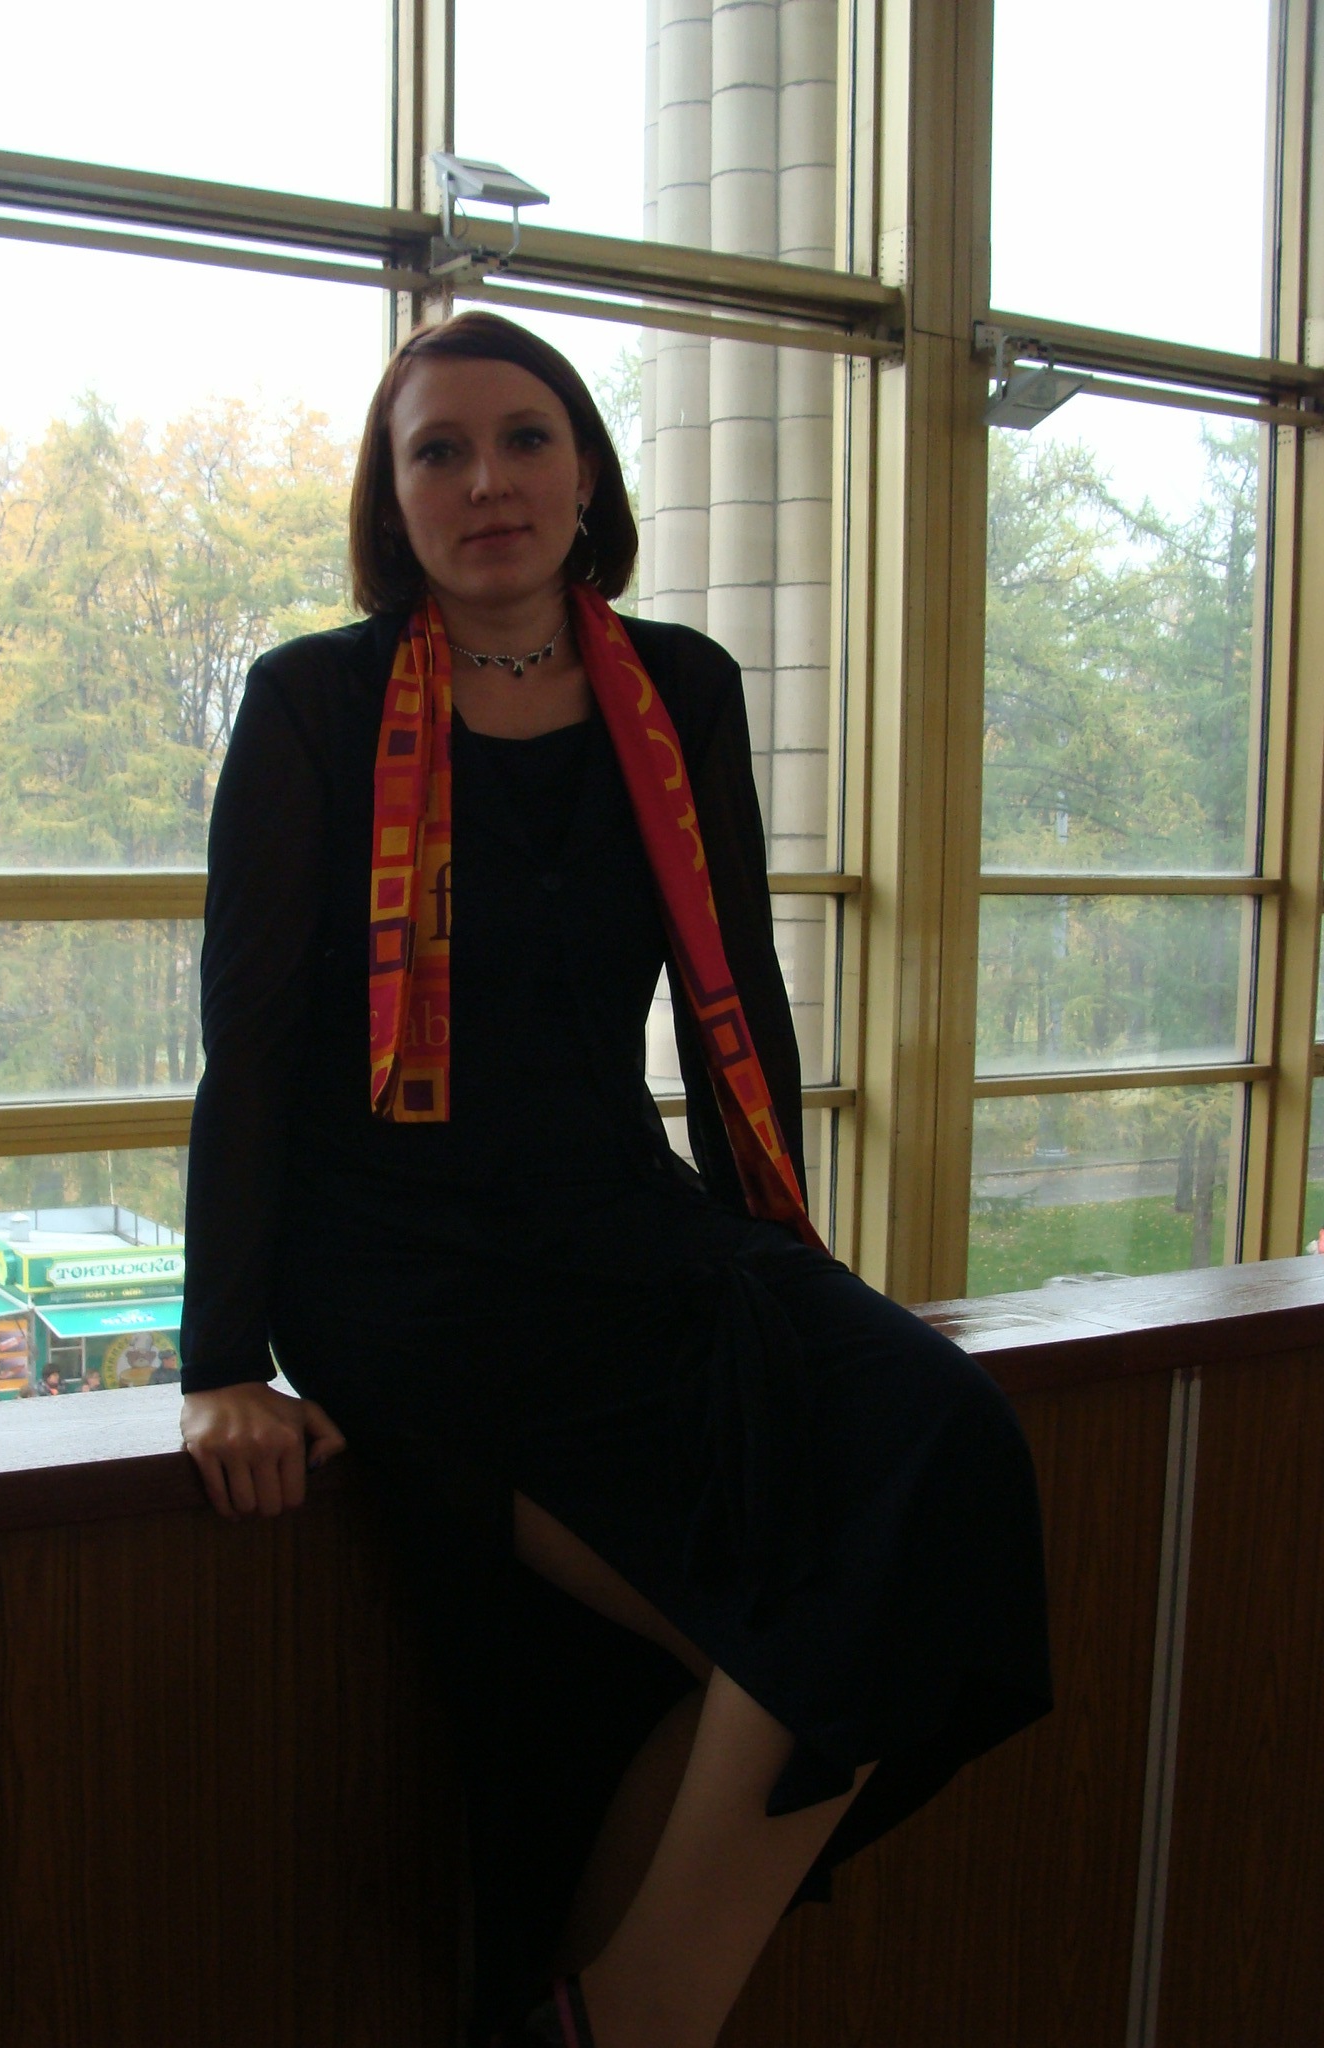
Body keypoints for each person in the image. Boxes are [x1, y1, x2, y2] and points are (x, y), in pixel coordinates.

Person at [177, 312, 1052, 2048]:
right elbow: (252, 1040)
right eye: (438, 451)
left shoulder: (683, 686)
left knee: (943, 1439)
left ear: (587, 471)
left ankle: (615, 2012)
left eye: (525, 437)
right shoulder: (314, 702)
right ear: (392, 500)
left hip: (630, 1229)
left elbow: (738, 986)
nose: (486, 479)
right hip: (405, 1269)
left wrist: (789, 1263)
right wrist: (220, 1359)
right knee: (811, 1626)